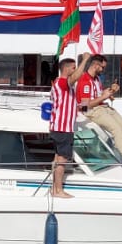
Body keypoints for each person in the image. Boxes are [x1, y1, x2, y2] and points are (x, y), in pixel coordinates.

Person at [77, 53, 122, 164]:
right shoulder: (85, 81)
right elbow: (85, 106)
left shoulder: (96, 79)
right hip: (92, 111)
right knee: (116, 129)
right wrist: (103, 97)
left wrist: (110, 91)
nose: (103, 70)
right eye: (102, 67)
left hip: (102, 107)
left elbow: (98, 95)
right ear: (95, 66)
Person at [47, 56, 82, 198]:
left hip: (59, 127)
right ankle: (58, 191)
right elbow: (75, 77)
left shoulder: (62, 84)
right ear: (66, 69)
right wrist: (85, 60)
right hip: (63, 128)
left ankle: (54, 188)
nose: (75, 71)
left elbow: (75, 105)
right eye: (73, 68)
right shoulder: (62, 82)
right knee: (62, 160)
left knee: (57, 159)